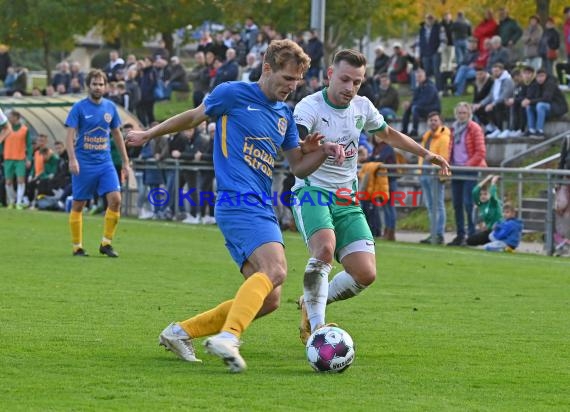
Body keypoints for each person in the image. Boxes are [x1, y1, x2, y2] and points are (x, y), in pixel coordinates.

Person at [125, 39, 345, 373]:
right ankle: (229, 337)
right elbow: (194, 117)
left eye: (297, 81)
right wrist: (148, 135)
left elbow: (298, 165)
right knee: (277, 270)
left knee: (270, 297)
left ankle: (180, 332)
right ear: (266, 68)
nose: (292, 86)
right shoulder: (232, 93)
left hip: (260, 205)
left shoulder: (284, 114)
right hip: (237, 202)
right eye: (287, 78)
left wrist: (321, 151)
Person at [290, 49, 450, 345]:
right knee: (324, 250)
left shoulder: (362, 106)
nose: (350, 88)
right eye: (345, 79)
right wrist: (308, 145)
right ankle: (319, 331)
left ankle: (311, 301)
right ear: (329, 75)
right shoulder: (309, 106)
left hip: (347, 198)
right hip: (312, 193)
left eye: (357, 82)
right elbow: (295, 142)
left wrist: (426, 153)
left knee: (365, 273)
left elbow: (387, 133)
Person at [65, 69, 130, 257]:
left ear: (106, 86)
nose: (98, 87)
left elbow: (117, 134)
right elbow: (69, 136)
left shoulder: (110, 107)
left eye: (101, 84)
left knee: (116, 200)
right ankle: (77, 246)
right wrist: (72, 159)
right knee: (79, 205)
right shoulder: (79, 108)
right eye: (94, 84)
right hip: (83, 163)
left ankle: (106, 243)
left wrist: (126, 161)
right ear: (88, 86)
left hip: (105, 163)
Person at [447, 102, 487, 246]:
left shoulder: (474, 128)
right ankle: (460, 234)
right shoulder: (453, 129)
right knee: (457, 204)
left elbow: (481, 152)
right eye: (459, 113)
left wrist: (468, 165)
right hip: (456, 168)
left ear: (469, 114)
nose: (461, 115)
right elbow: (450, 149)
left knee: (469, 203)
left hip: (469, 169)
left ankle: (471, 234)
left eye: (464, 113)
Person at [418, 112, 451, 244]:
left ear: (440, 122)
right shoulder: (427, 136)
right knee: (430, 205)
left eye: (435, 120)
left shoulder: (443, 137)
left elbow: (444, 156)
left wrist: (441, 174)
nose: (433, 122)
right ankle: (433, 232)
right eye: (431, 120)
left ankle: (439, 233)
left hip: (435, 175)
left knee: (438, 205)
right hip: (425, 174)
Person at [1, 110, 30, 209]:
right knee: (8, 182)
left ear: (17, 117)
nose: (8, 118)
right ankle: (12, 201)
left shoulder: (25, 130)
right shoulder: (5, 129)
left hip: (20, 158)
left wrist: (29, 158)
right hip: (8, 158)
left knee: (20, 180)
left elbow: (29, 145)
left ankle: (18, 202)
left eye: (10, 117)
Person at [466, 175, 503, 246]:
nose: (483, 196)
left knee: (475, 239)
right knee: (470, 240)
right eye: (481, 194)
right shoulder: (480, 204)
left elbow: (492, 194)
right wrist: (486, 179)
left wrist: (493, 182)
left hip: (497, 230)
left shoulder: (493, 203)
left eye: (485, 194)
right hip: (488, 231)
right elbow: (474, 191)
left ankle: (497, 243)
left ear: (489, 195)